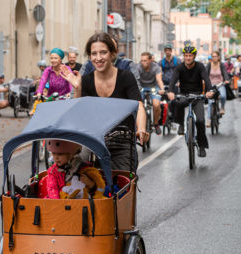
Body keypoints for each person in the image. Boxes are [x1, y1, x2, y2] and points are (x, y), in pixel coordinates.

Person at [61, 32, 148, 172]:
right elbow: (78, 113)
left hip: (121, 140)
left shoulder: (126, 77)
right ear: (89, 57)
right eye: (94, 54)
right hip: (93, 139)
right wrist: (77, 88)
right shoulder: (87, 80)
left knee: (123, 181)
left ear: (112, 54)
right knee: (74, 172)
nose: (98, 58)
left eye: (103, 53)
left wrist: (141, 128)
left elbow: (138, 106)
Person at [167, 45, 214, 158]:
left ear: (194, 56)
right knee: (176, 102)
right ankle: (181, 125)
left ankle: (202, 146)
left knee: (201, 121)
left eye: (190, 56)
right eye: (186, 55)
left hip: (197, 96)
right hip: (184, 94)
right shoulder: (179, 67)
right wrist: (170, 91)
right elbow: (173, 81)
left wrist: (209, 91)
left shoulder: (200, 66)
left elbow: (207, 80)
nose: (188, 58)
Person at [138, 51, 165, 135]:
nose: (143, 62)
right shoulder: (138, 67)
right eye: (142, 60)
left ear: (150, 61)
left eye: (145, 60)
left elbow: (159, 79)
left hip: (154, 87)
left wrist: (162, 89)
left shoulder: (156, 67)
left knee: (156, 105)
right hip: (141, 87)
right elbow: (135, 79)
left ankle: (156, 124)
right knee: (137, 105)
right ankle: (138, 125)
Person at [206, 51, 230, 123]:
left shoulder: (221, 65)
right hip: (211, 86)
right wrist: (203, 80)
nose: (214, 58)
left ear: (219, 57)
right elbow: (205, 74)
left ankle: (222, 107)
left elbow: (225, 73)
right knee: (210, 102)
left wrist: (226, 80)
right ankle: (208, 119)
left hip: (220, 84)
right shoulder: (209, 65)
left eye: (215, 56)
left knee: (223, 96)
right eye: (212, 56)